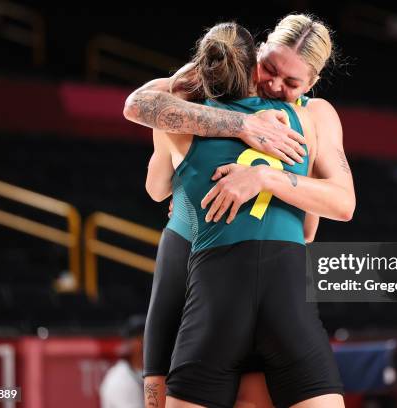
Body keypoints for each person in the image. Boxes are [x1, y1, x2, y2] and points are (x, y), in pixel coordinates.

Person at [127, 18, 354, 407]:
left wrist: (263, 178)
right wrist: (242, 125)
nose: (275, 86)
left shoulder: (314, 114)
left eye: (292, 83)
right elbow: (312, 225)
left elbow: (155, 185)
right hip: (202, 269)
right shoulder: (302, 119)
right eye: (270, 69)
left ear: (312, 82)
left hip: (215, 273)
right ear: (259, 49)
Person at [100, 315, 146, 408]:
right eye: (139, 339)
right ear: (128, 343)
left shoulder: (152, 373)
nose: (144, 343)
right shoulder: (119, 379)